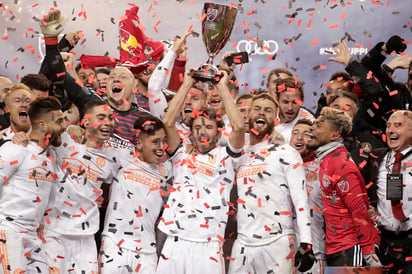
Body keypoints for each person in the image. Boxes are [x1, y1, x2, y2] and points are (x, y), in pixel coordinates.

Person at [156, 70, 245, 274]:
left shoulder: (227, 157)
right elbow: (168, 122)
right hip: (174, 241)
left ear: (219, 132)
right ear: (191, 132)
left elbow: (239, 127)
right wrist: (187, 82)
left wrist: (222, 86)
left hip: (208, 245)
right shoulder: (181, 155)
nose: (202, 131)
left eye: (208, 127)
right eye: (197, 127)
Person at [229, 93, 314, 274]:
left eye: (268, 110)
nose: (261, 113)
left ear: (275, 117)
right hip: (243, 244)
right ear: (248, 115)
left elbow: (300, 201)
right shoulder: (239, 154)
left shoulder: (287, 153)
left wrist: (306, 242)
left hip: (278, 242)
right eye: (257, 109)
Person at [40, 99, 120, 273]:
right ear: (85, 121)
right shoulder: (66, 142)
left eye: (110, 117)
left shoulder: (114, 159)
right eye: (101, 117)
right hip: (55, 233)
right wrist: (69, 127)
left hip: (86, 238)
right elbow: (46, 120)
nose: (107, 122)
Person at [306, 107, 381, 267]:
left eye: (319, 125)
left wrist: (369, 253)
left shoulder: (341, 165)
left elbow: (359, 210)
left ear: (335, 134)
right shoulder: (327, 160)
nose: (312, 127)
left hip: (351, 248)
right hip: (336, 249)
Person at [0, 96, 66, 273]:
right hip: (8, 232)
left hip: (33, 237)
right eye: (59, 121)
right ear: (42, 125)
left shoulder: (51, 158)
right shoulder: (16, 149)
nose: (64, 127)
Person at [100, 115, 172, 273]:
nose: (161, 147)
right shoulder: (120, 158)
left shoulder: (167, 170)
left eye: (164, 141)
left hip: (147, 250)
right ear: (139, 143)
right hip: (115, 243)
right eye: (155, 142)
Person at [364, 110, 412, 274]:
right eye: (388, 125)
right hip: (383, 243)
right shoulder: (376, 157)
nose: (390, 130)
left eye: (397, 125)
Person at [290, 119, 326, 274]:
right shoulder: (276, 166)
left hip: (313, 253)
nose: (299, 137)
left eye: (306, 134)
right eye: (295, 133)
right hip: (279, 253)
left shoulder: (324, 169)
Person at [330, 91, 385, 174]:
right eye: (336, 108)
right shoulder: (314, 140)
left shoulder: (371, 143)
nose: (340, 112)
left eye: (346, 109)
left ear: (356, 115)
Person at [274, 77, 314, 144]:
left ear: (302, 100)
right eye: (285, 102)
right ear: (277, 99)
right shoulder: (268, 117)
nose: (290, 108)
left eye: (295, 102)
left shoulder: (310, 122)